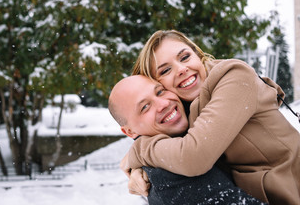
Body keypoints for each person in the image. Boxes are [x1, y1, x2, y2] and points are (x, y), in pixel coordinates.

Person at [121, 30, 300, 204]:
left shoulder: (235, 76)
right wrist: (140, 167)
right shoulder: (185, 107)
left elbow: (194, 157)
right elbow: (167, 151)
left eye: (185, 57)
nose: (182, 69)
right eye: (165, 70)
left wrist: (138, 151)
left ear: (199, 56)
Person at [109, 75, 265, 205]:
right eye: (145, 107)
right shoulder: (170, 177)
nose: (164, 104)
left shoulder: (196, 119)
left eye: (160, 91)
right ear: (129, 131)